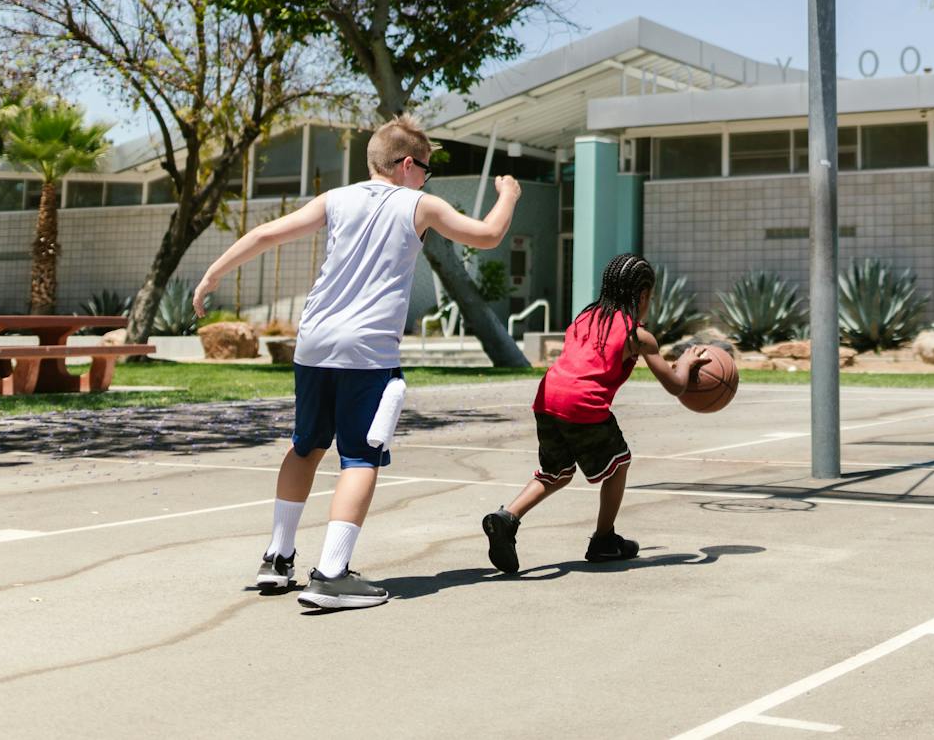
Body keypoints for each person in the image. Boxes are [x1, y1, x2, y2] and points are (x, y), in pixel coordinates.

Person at [194, 115, 520, 611]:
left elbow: (265, 235)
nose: (426, 178)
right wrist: (509, 195)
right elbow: (488, 235)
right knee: (361, 457)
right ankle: (330, 575)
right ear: (408, 164)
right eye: (425, 169)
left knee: (305, 448)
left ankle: (277, 560)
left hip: (314, 345)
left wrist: (213, 274)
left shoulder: (336, 199)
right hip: (367, 353)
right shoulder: (419, 203)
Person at [481, 253, 710, 577]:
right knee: (620, 462)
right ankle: (603, 539)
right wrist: (685, 362)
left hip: (547, 398)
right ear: (643, 296)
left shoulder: (585, 318)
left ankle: (506, 518)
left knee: (557, 471)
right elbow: (676, 386)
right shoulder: (638, 335)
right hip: (581, 403)